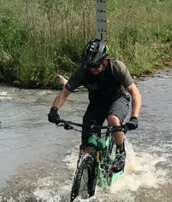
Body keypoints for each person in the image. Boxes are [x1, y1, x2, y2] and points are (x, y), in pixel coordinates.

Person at [49, 39, 141, 172]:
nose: (92, 69)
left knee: (113, 119)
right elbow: (64, 93)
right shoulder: (83, 71)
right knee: (86, 144)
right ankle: (85, 173)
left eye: (95, 66)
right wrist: (54, 110)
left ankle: (121, 152)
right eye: (89, 66)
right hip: (97, 103)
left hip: (117, 99)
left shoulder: (116, 67)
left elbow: (135, 92)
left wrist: (134, 118)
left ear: (105, 60)